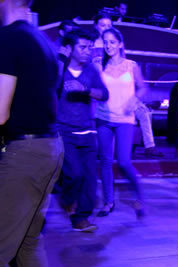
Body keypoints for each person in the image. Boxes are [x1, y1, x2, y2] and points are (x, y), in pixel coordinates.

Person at [0, 0, 62, 267]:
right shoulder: (41, 40)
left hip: (25, 153)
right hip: (49, 147)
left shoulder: (9, 39)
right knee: (27, 242)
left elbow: (0, 112)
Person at [56, 28, 109, 232]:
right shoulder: (60, 69)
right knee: (74, 173)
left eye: (90, 47)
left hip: (87, 130)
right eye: (83, 47)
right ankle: (66, 199)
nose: (88, 51)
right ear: (70, 48)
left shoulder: (91, 71)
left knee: (89, 178)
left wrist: (84, 89)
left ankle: (81, 218)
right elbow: (49, 91)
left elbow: (104, 94)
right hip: (64, 130)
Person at [96, 28, 147, 217]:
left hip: (125, 119)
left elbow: (143, 88)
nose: (108, 45)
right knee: (105, 161)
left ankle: (139, 197)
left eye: (112, 42)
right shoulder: (99, 65)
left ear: (120, 44)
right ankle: (108, 202)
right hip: (104, 118)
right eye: (105, 42)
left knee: (124, 161)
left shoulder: (131, 65)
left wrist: (135, 100)